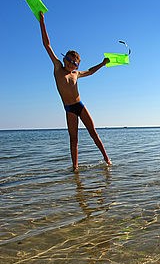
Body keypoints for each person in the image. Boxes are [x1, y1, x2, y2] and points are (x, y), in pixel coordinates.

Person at [39, 12, 112, 171]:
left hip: (79, 105)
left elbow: (91, 71)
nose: (72, 65)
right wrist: (42, 21)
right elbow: (47, 44)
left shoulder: (76, 74)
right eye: (70, 60)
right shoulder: (58, 67)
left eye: (75, 63)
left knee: (93, 133)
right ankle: (75, 167)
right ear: (65, 59)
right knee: (73, 139)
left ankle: (107, 159)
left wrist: (102, 63)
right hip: (69, 109)